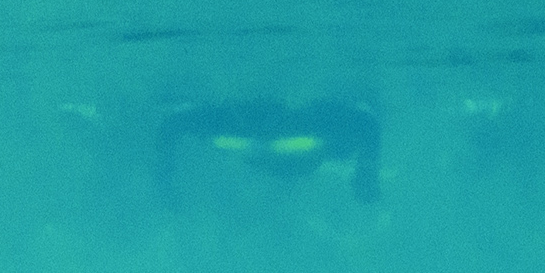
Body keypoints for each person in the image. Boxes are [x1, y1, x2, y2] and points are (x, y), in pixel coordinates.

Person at [152, 98, 383, 203]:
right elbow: (367, 123)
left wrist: (164, 181)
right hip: (265, 129)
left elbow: (173, 122)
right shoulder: (322, 124)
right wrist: (366, 177)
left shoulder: (235, 130)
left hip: (255, 128)